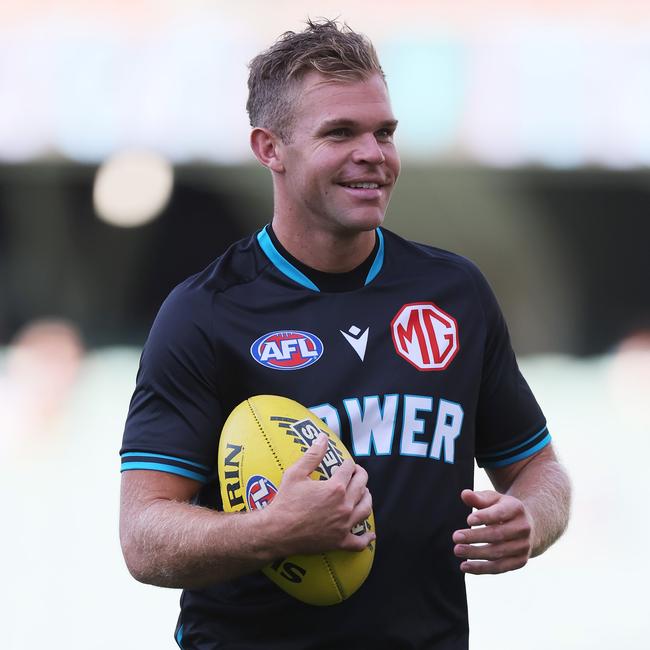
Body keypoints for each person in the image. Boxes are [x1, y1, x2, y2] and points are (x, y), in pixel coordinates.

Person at [119, 19, 571, 650]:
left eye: (384, 132)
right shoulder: (205, 313)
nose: (374, 153)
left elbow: (540, 470)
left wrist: (532, 519)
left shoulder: (455, 291)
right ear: (270, 148)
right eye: (340, 132)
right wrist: (275, 530)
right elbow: (143, 537)